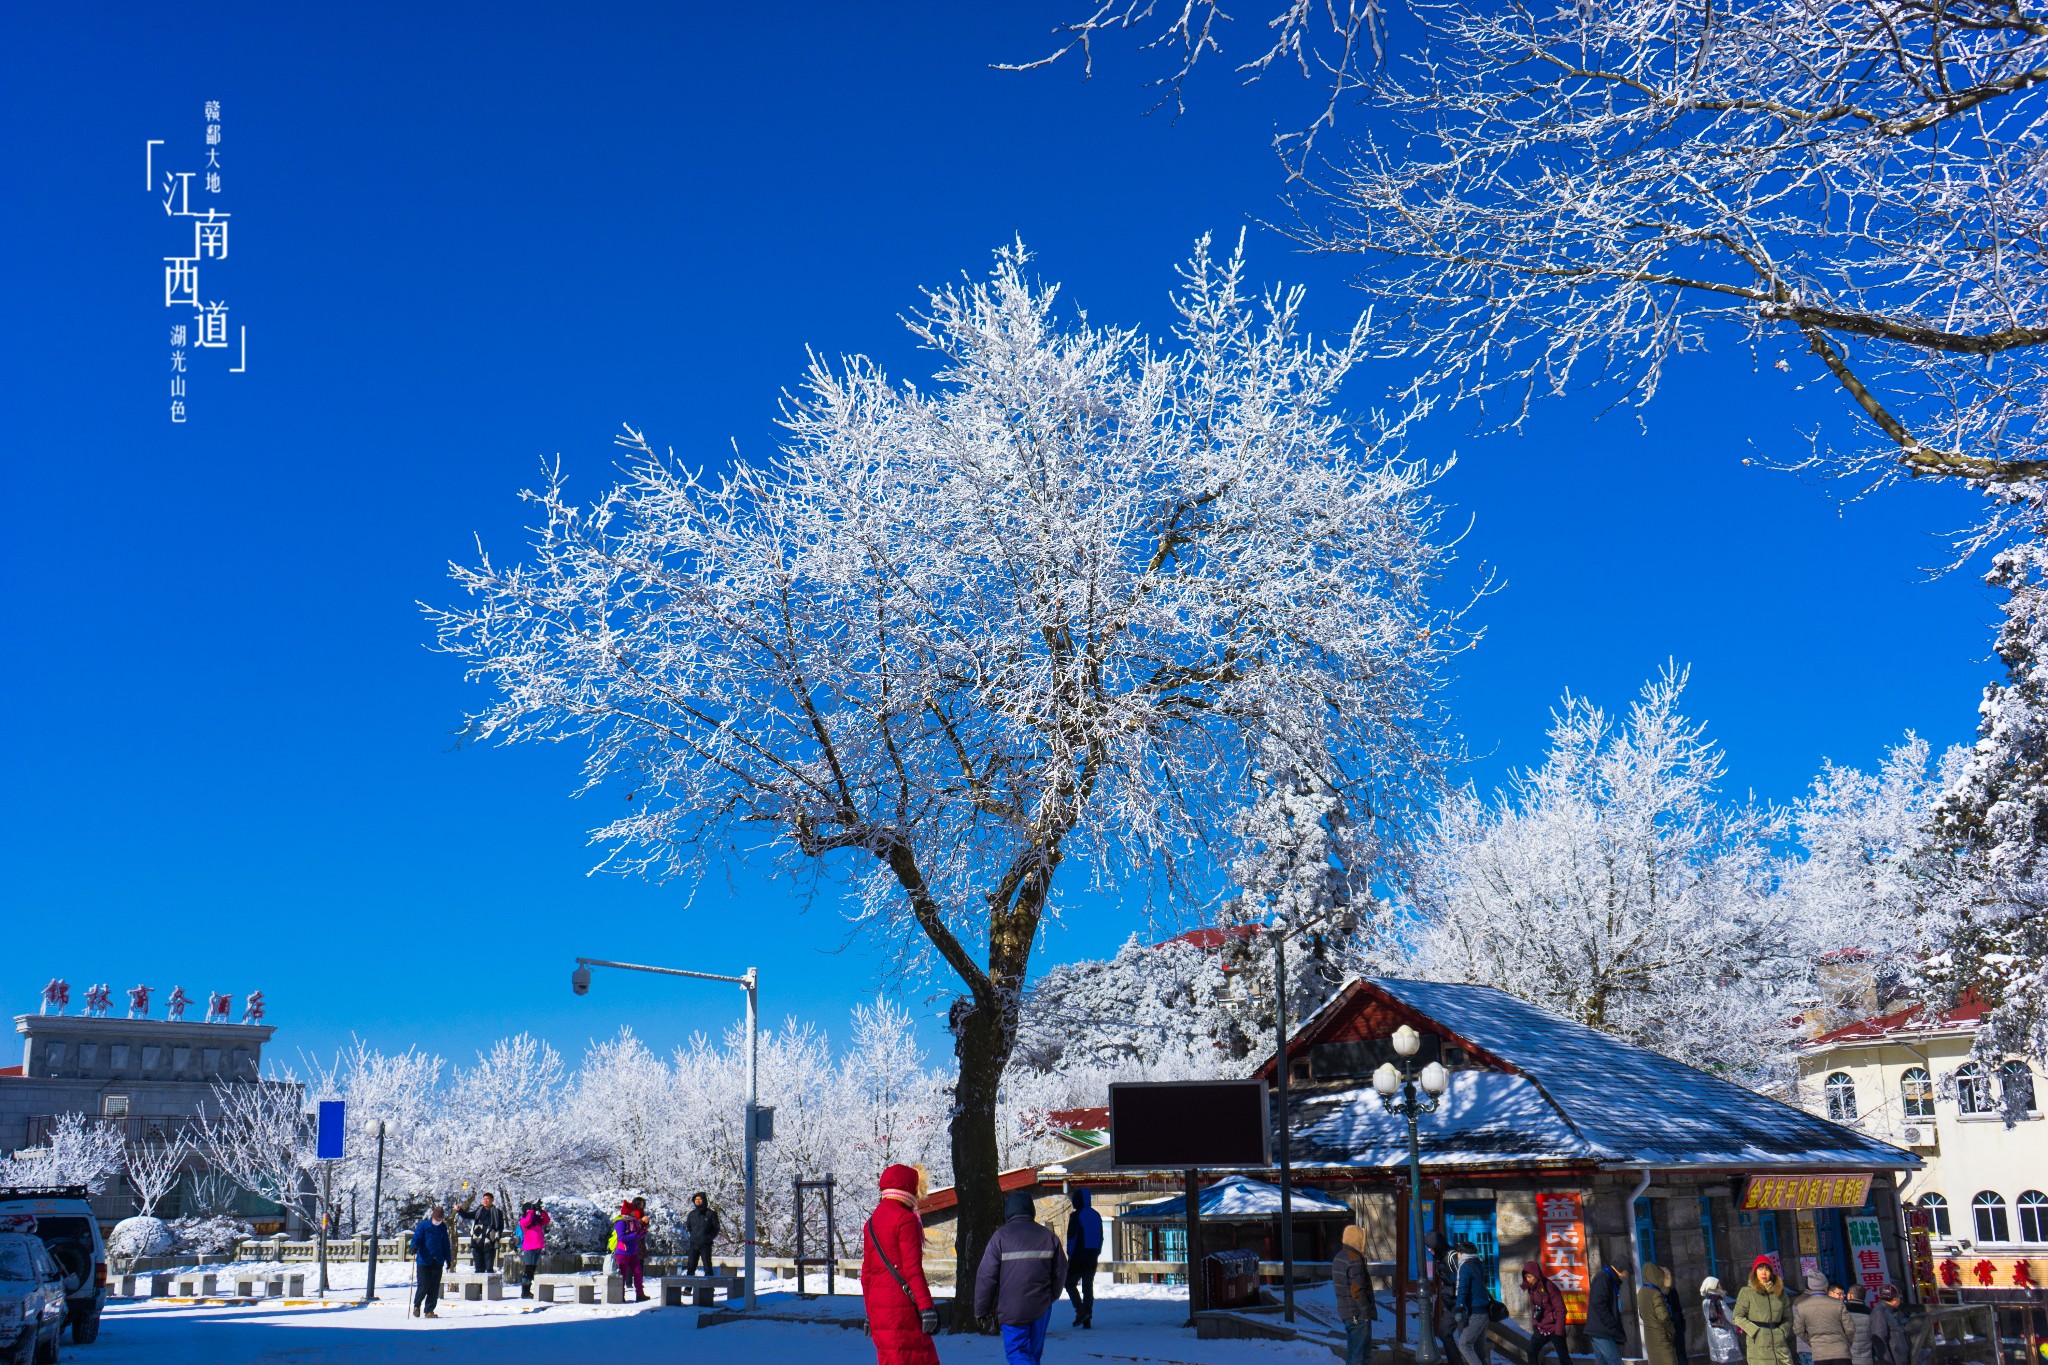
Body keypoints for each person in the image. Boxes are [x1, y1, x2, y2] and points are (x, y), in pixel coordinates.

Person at [975, 1191, 1066, 1365]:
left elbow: (986, 1277)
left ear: (1008, 1211)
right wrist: (1050, 1297)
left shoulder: (1000, 1237)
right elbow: (1060, 1271)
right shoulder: (1047, 1236)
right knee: (1033, 1354)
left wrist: (981, 1310)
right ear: (1031, 1210)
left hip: (1012, 1308)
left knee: (1018, 1353)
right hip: (1041, 1307)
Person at [862, 1164, 940, 1365]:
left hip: (879, 1311)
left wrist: (870, 1314)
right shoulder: (905, 1219)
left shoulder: (871, 1222)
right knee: (917, 1358)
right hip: (901, 1310)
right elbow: (912, 1270)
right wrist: (926, 1308)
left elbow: (867, 1275)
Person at [1735, 1256, 1795, 1365]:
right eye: (1760, 1268)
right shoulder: (1747, 1292)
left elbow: (1788, 1318)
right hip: (1758, 1347)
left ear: (1771, 1273)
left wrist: (1782, 1332)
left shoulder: (1780, 1293)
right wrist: (1756, 1332)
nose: (1764, 1272)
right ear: (1754, 1272)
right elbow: (1738, 1316)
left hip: (1780, 1346)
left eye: (1767, 1269)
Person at [1334, 1225, 1379, 1365]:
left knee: (1353, 1352)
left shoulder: (1339, 1256)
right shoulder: (1354, 1259)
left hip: (1346, 1311)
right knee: (1361, 1356)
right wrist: (1366, 1313)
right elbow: (1357, 1290)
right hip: (1357, 1313)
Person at [1793, 1273, 1853, 1365]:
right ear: (1826, 1285)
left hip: (1819, 1354)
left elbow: (1798, 1329)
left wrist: (1811, 1342)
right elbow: (1850, 1328)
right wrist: (1846, 1343)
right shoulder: (1838, 1304)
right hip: (1841, 1352)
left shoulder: (1802, 1306)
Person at [1065, 1187, 1103, 1329]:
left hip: (1078, 1256)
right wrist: (1097, 1252)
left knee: (1069, 1283)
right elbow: (1101, 1237)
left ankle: (1080, 1310)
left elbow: (1072, 1237)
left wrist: (1070, 1254)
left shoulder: (1075, 1216)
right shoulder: (1096, 1215)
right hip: (1092, 1256)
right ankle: (1087, 1318)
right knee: (1088, 1287)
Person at [1452, 1241, 1493, 1365]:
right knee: (1479, 1348)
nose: (1457, 1256)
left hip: (1476, 1311)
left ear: (1461, 1253)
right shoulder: (1478, 1263)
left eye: (1458, 1253)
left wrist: (1459, 1306)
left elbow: (1463, 1288)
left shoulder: (1465, 1266)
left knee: (1464, 1345)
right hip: (1484, 1310)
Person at [411, 1205, 455, 1319]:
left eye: (439, 1219)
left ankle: (429, 1310)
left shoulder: (442, 1227)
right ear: (432, 1217)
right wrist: (414, 1246)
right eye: (436, 1219)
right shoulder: (423, 1226)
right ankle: (417, 1305)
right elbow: (417, 1238)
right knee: (424, 1285)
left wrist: (448, 1259)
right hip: (424, 1260)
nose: (437, 1221)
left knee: (434, 1287)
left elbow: (445, 1244)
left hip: (437, 1260)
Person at [1522, 1261, 1569, 1365]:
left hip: (1554, 1328)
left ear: (1536, 1274)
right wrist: (1535, 1325)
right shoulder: (1531, 1289)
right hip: (1541, 1328)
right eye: (1526, 1277)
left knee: (1564, 1357)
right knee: (1531, 1351)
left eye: (1530, 1276)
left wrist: (1559, 1331)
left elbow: (1561, 1309)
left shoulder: (1549, 1287)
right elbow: (1533, 1308)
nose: (1528, 1280)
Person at [1587, 1261, 1631, 1365]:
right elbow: (1598, 1303)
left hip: (1599, 1328)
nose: (1625, 1276)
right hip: (1602, 1329)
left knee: (1603, 1362)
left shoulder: (1608, 1277)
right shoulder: (1603, 1277)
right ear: (1620, 1269)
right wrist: (1611, 1323)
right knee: (1615, 1361)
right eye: (1626, 1273)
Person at [1640, 1265, 1684, 1365]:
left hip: (1649, 1339)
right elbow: (1663, 1317)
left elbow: (1642, 1314)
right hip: (1661, 1338)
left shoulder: (1641, 1292)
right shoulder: (1655, 1293)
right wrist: (1671, 1331)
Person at [458, 1193, 506, 1274]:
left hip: (490, 1242)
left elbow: (500, 1226)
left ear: (492, 1200)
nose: (485, 1201)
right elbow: (467, 1215)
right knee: (478, 1267)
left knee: (489, 1267)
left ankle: (489, 1285)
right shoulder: (479, 1211)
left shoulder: (497, 1212)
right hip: (477, 1241)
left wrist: (497, 1237)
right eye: (484, 1199)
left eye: (487, 1199)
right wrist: (459, 1210)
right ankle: (478, 1286)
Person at [1703, 1276, 1745, 1365]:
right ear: (1714, 1286)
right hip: (1725, 1336)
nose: (1721, 1286)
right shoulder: (1719, 1302)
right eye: (1719, 1284)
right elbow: (1731, 1318)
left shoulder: (1705, 1302)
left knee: (1721, 1361)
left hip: (1713, 1336)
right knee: (1730, 1361)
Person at [613, 1198, 648, 1302]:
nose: (635, 1212)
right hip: (623, 1251)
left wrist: (643, 1231)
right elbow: (622, 1237)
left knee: (638, 1273)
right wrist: (636, 1234)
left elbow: (636, 1233)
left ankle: (640, 1294)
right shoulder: (621, 1222)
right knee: (622, 1275)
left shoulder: (633, 1221)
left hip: (633, 1251)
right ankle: (620, 1295)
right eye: (633, 1210)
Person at [516, 1202, 550, 1298]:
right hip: (529, 1247)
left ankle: (528, 1290)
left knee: (533, 1269)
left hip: (538, 1247)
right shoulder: (523, 1221)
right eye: (529, 1210)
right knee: (528, 1269)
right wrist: (531, 1210)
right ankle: (525, 1291)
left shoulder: (537, 1221)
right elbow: (527, 1220)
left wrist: (541, 1211)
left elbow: (547, 1220)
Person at [684, 1192, 720, 1278]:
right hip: (693, 1244)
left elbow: (716, 1228)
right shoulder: (691, 1214)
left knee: (707, 1266)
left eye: (700, 1199)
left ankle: (708, 1288)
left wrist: (708, 1238)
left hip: (705, 1244)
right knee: (690, 1267)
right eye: (696, 1199)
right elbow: (689, 1227)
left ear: (704, 1200)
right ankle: (688, 1288)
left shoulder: (711, 1214)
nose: (698, 1201)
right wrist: (693, 1236)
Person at [1868, 1286, 1904, 1365]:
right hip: (1894, 1360)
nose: (1900, 1300)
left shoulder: (1890, 1311)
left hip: (1899, 1358)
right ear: (1895, 1299)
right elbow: (1879, 1340)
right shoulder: (1880, 1312)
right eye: (1899, 1298)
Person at [1843, 1286, 1874, 1365]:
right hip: (1866, 1359)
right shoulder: (1871, 1313)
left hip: (1846, 1358)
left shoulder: (1842, 1311)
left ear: (1850, 1295)